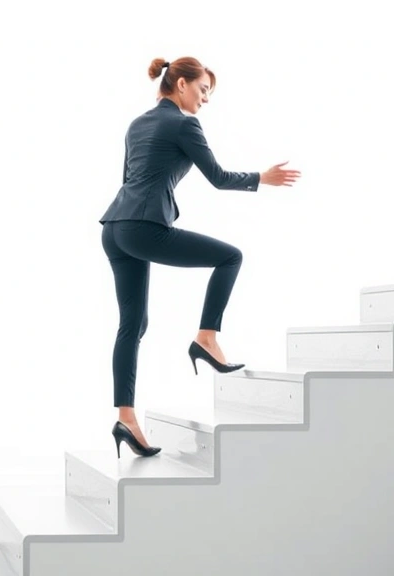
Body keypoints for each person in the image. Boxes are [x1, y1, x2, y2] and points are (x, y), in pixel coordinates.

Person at [99, 56, 301, 458]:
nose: (205, 99)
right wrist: (262, 178)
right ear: (180, 85)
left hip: (114, 228)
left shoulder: (136, 123)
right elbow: (218, 177)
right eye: (203, 90)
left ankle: (127, 418)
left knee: (133, 324)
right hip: (142, 227)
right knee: (230, 257)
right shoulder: (184, 123)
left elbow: (128, 180)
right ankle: (206, 338)